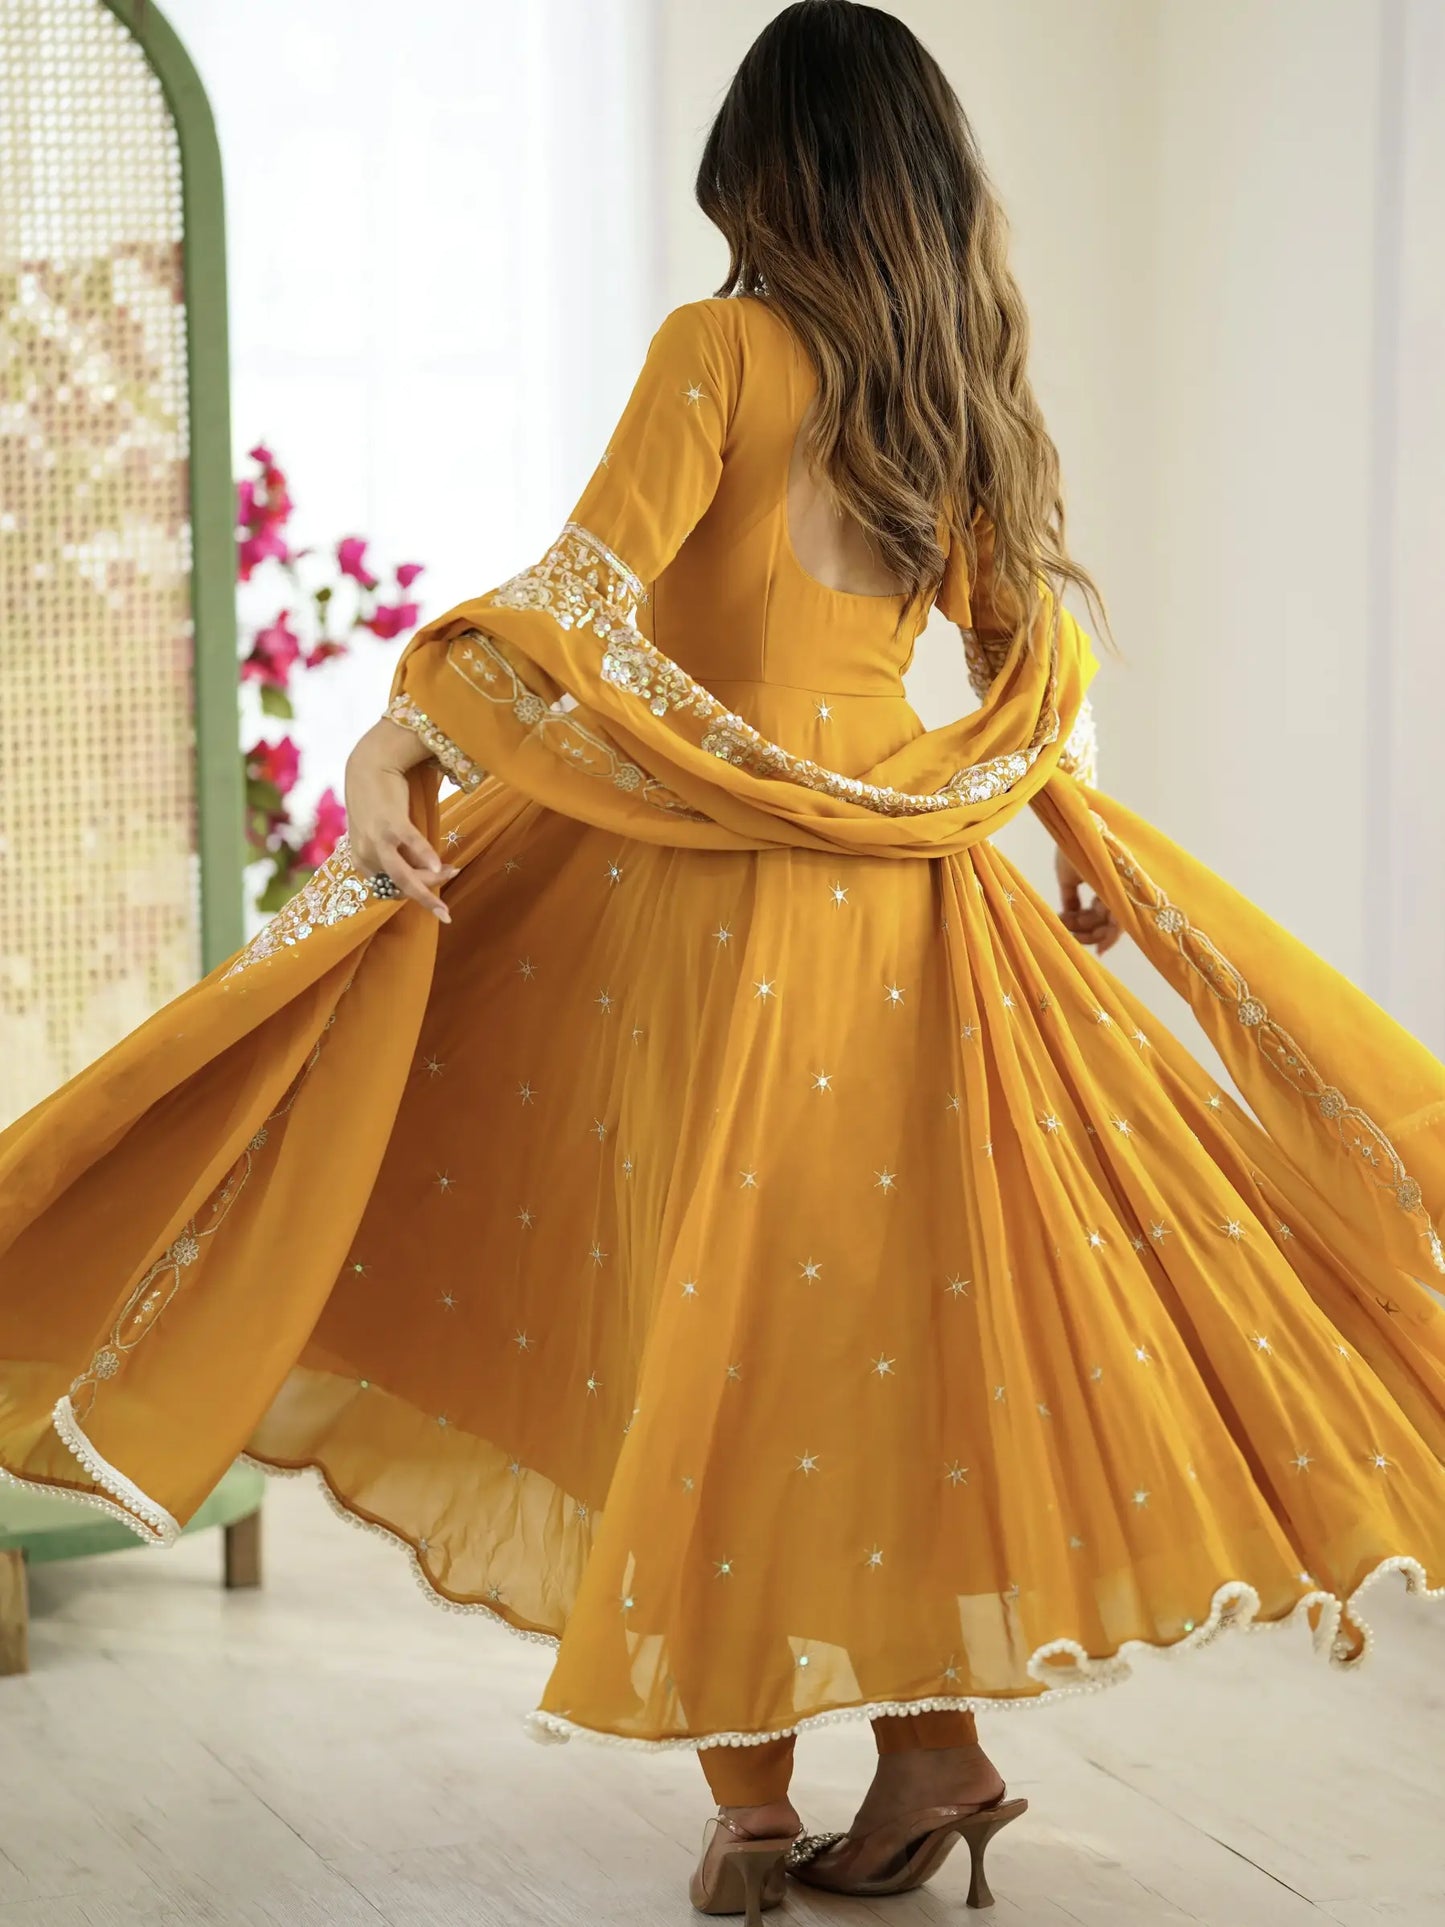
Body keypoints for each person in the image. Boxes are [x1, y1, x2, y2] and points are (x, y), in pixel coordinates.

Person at [4, 2, 1445, 1919]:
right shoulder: (956, 391)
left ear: (761, 171)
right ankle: (930, 1753)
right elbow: (1034, 670)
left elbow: (587, 591)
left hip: (708, 900)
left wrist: (399, 738)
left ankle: (758, 1803)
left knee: (693, 1328)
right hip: (922, 923)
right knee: (872, 1339)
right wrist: (1064, 836)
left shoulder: (722, 346)